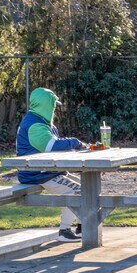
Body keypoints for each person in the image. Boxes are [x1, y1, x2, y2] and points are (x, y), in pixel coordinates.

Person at [16, 87, 86, 242]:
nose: (54, 108)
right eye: (53, 105)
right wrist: (74, 142)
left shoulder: (43, 122)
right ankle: (64, 230)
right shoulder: (34, 124)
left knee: (88, 187)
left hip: (48, 172)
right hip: (37, 174)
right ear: (46, 105)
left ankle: (83, 227)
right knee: (76, 191)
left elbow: (55, 146)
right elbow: (50, 146)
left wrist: (75, 146)